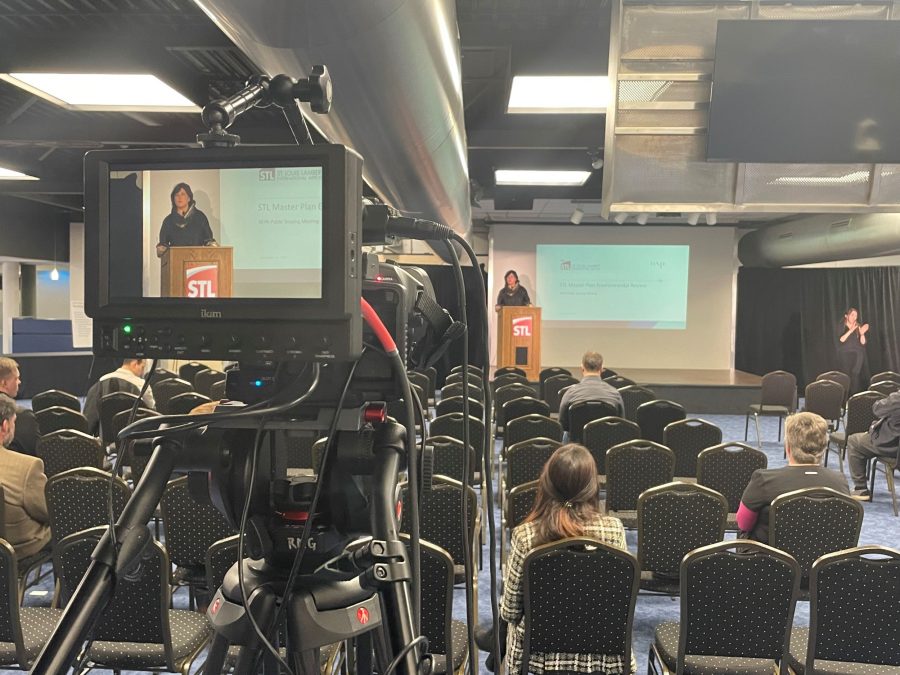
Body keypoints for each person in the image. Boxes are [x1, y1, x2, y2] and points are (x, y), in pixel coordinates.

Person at [501, 443, 634, 675]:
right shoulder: (614, 531)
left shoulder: (525, 535)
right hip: (602, 659)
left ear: (547, 483)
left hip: (536, 660)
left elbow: (511, 612)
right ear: (592, 487)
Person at [737, 412, 849, 543]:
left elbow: (743, 524)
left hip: (772, 561)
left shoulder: (764, 480)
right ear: (824, 447)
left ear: (788, 447)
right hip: (824, 561)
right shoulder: (840, 482)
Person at [0, 394, 51, 559]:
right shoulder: (27, 467)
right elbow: (49, 511)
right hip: (17, 549)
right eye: (14, 422)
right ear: (5, 426)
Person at [846, 389, 900, 500]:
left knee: (853, 441)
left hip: (891, 447)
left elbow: (877, 409)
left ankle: (861, 489)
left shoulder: (897, 399)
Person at [83, 358, 155, 436]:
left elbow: (88, 420)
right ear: (135, 363)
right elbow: (152, 413)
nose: (142, 372)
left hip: (103, 440)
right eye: (142, 367)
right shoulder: (142, 385)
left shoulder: (99, 384)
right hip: (133, 440)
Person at [558, 351, 624, 433]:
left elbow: (562, 424)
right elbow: (621, 423)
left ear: (582, 368)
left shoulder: (570, 393)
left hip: (577, 443)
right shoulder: (614, 394)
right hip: (607, 442)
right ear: (601, 369)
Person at [156, 182, 216, 257]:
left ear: (189, 198)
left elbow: (209, 241)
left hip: (197, 262)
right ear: (173, 199)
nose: (179, 197)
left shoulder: (200, 217)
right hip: (175, 263)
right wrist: (161, 249)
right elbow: (162, 246)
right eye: (177, 195)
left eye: (183, 194)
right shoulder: (168, 221)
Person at [0, 357, 38, 457]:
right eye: (16, 378)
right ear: (4, 383)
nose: (19, 382)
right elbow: (34, 453)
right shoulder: (23, 416)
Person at [837, 306, 869, 394]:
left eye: (856, 316)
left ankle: (854, 398)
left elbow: (863, 342)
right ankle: (845, 399)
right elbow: (841, 339)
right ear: (846, 316)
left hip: (857, 354)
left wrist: (862, 334)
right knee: (846, 376)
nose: (854, 317)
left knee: (855, 376)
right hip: (845, 354)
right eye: (852, 315)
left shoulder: (858, 326)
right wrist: (850, 330)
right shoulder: (841, 325)